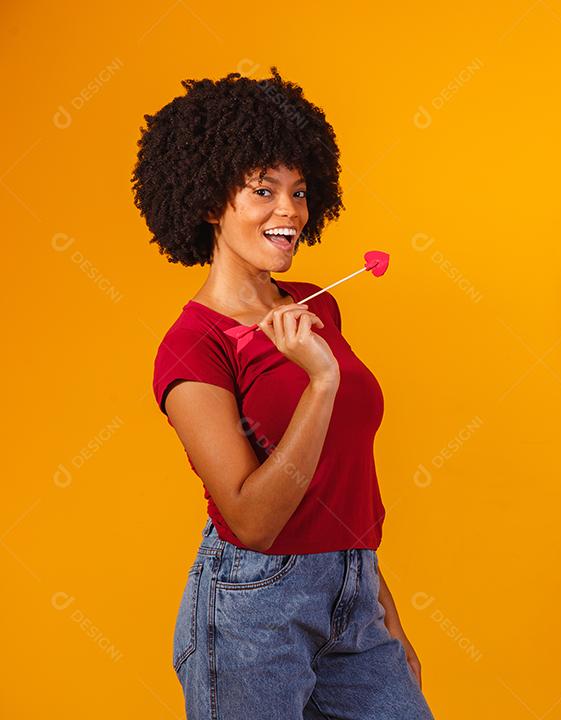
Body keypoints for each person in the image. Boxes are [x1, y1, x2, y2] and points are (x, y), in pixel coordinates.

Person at [134, 67, 434, 719]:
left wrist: (384, 614)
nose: (290, 211)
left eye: (299, 192)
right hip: (253, 607)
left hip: (352, 588)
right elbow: (252, 521)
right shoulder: (193, 346)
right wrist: (320, 382)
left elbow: (339, 482)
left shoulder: (314, 306)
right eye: (263, 190)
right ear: (210, 202)